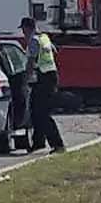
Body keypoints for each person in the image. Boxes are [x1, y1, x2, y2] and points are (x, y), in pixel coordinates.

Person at [21, 16, 65, 153]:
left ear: (27, 28)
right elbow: (54, 51)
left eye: (23, 30)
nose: (23, 33)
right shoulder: (44, 38)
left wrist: (25, 80)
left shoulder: (34, 41)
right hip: (49, 76)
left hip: (44, 79)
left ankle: (58, 144)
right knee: (35, 111)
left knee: (43, 113)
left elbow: (31, 62)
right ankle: (38, 142)